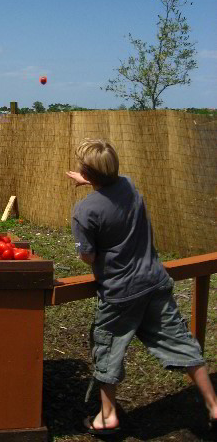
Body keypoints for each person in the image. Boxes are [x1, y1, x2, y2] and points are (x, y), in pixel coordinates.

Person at [66, 138, 217, 436]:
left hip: (121, 293)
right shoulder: (130, 186)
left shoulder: (84, 212)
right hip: (154, 282)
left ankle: (107, 416)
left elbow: (88, 256)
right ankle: (213, 404)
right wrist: (93, 179)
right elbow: (112, 189)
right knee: (182, 343)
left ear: (87, 173)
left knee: (107, 350)